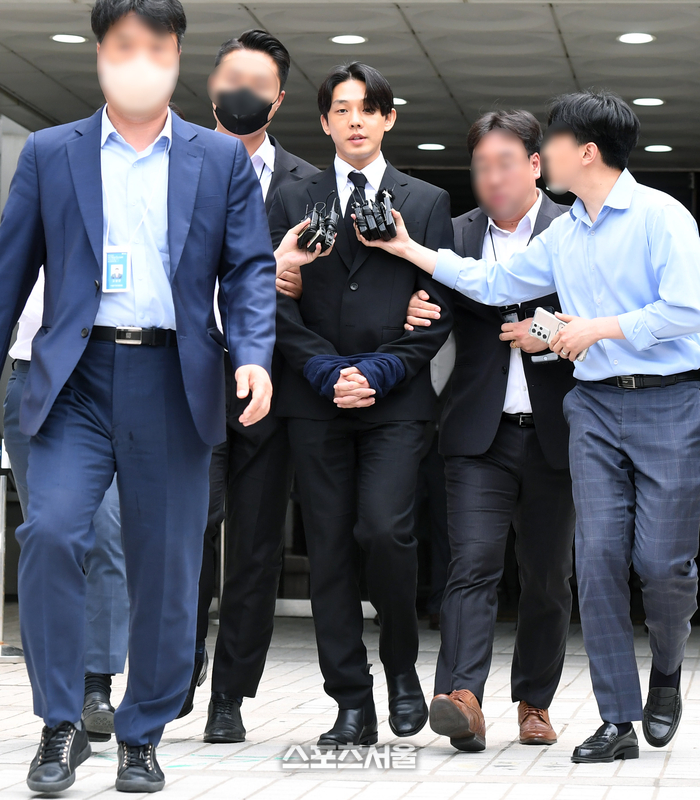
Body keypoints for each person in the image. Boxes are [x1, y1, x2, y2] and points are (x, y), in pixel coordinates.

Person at [357, 90, 700, 763]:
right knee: (596, 565)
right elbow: (491, 281)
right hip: (591, 408)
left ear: (585, 152)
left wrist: (596, 329)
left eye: (553, 144)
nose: (543, 154)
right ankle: (617, 720)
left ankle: (665, 668)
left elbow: (689, 310)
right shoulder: (563, 237)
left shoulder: (663, 218)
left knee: (661, 567)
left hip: (667, 404)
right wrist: (409, 248)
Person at [0, 0, 276, 792]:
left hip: (172, 381)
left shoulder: (217, 160)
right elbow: (10, 269)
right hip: (75, 381)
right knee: (51, 532)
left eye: (156, 45)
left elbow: (250, 270)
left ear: (176, 56)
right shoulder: (51, 152)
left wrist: (254, 356)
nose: (139, 59)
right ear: (101, 54)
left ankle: (141, 734)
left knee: (167, 566)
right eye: (123, 45)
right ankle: (60, 724)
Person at [268, 62, 454, 748]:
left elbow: (439, 308)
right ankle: (351, 700)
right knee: (328, 553)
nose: (354, 120)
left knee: (384, 532)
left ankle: (402, 669)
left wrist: (377, 369)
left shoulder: (427, 202)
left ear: (388, 118)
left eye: (367, 108)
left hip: (395, 402)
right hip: (315, 401)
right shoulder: (291, 197)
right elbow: (270, 298)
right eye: (341, 109)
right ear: (324, 122)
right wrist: (324, 370)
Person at [402, 110, 576, 752]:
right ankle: (462, 698)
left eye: (505, 163)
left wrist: (549, 332)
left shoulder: (575, 229)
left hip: (558, 434)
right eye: (481, 167)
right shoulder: (451, 236)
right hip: (479, 433)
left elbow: (604, 310)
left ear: (535, 165)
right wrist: (413, 309)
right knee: (471, 565)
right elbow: (427, 311)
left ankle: (535, 702)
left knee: (547, 576)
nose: (493, 178)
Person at [178, 29, 319, 747]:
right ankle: (179, 667)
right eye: (232, 79)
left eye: (257, 84)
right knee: (188, 534)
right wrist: (270, 265)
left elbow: (336, 292)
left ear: (278, 98)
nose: (242, 93)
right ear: (211, 86)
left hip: (273, 388)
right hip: (189, 380)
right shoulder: (172, 163)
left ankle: (231, 694)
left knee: (257, 547)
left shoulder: (310, 184)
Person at [3, 271, 128, 745]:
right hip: (34, 374)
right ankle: (56, 702)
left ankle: (95, 686)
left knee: (107, 531)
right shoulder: (36, 218)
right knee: (47, 542)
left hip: (105, 372)